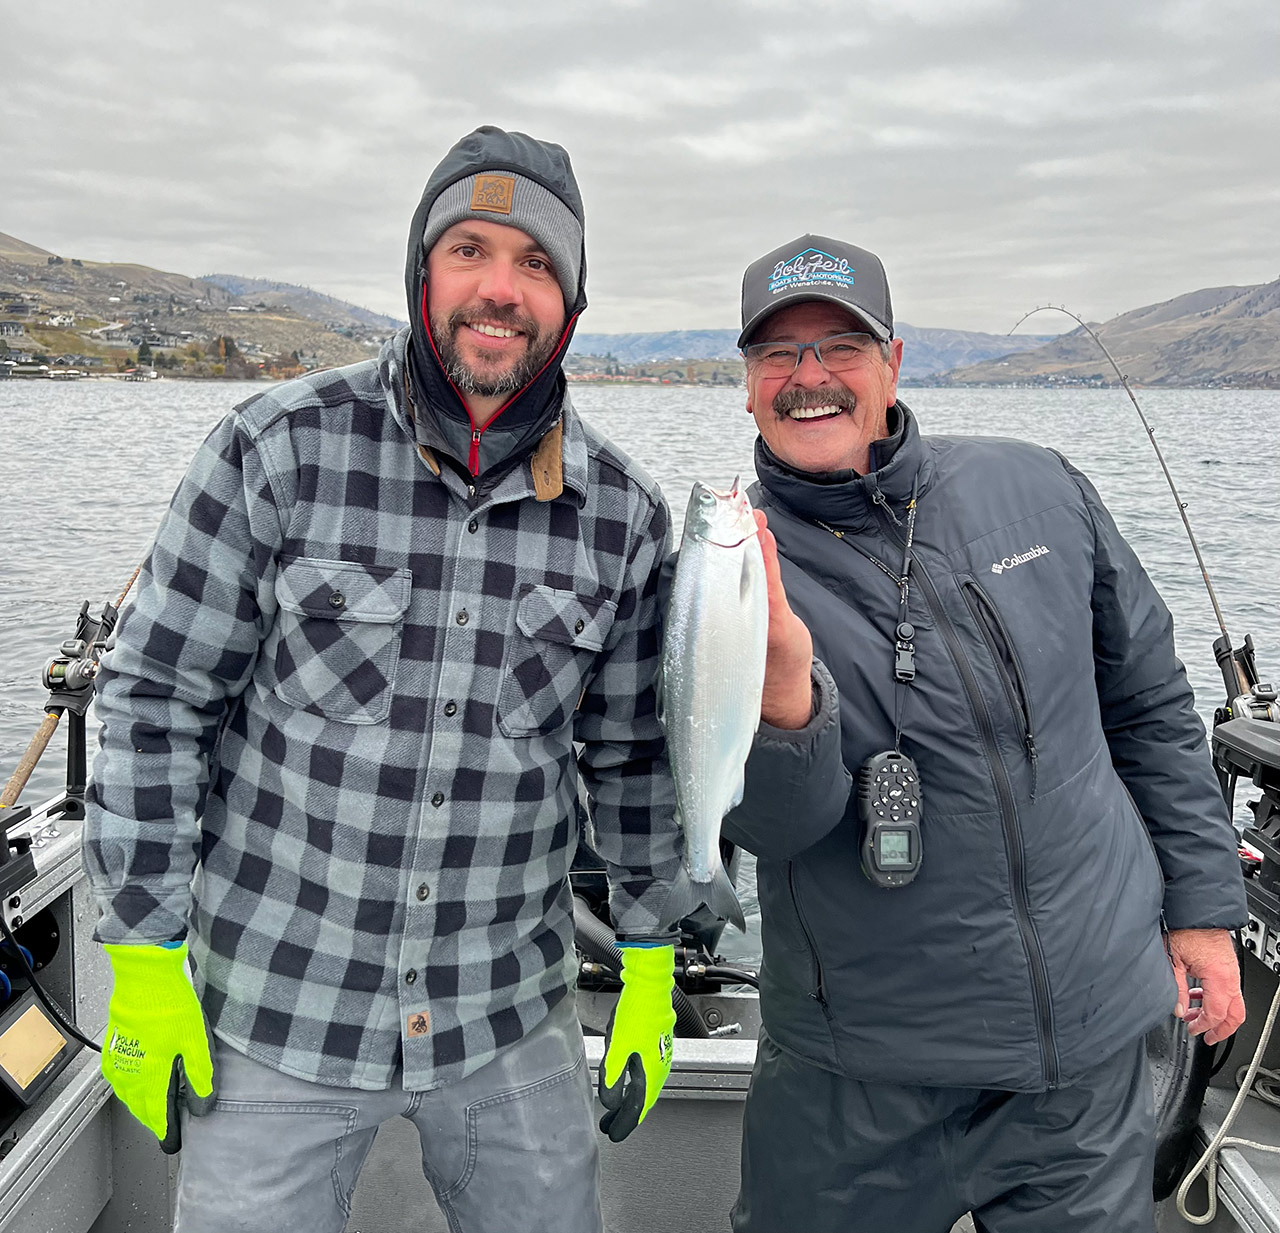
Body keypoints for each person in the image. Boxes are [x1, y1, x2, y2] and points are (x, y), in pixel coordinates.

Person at [82, 126, 682, 1233]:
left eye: (537, 264)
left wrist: (648, 951)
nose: (500, 290)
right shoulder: (274, 447)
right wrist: (141, 949)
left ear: (572, 306)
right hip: (271, 1008)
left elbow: (632, 759)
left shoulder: (627, 519)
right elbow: (155, 703)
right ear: (419, 274)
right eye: (468, 250)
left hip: (505, 1015)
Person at [722, 234, 1248, 1232]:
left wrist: (1200, 911)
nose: (808, 377)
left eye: (839, 345)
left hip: (1083, 1062)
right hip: (855, 1082)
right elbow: (771, 828)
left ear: (892, 363)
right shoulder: (728, 566)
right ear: (745, 386)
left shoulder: (1038, 486)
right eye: (776, 356)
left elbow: (1148, 708)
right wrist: (785, 700)